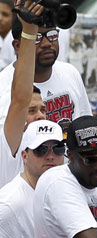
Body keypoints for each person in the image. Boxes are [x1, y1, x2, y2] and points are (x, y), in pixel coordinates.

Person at [0, 120, 64, 238]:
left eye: (57, 149)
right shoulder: (9, 204)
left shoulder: (64, 191)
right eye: (41, 150)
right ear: (25, 155)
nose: (50, 156)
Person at [0, 14, 91, 125]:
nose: (47, 44)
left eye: (52, 35)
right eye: (37, 38)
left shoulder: (70, 72)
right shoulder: (3, 86)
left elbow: (85, 124)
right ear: (17, 46)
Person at [0, 4, 52, 188]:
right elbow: (20, 99)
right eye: (31, 111)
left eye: (43, 110)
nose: (40, 116)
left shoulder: (53, 148)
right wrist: (29, 31)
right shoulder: (8, 148)